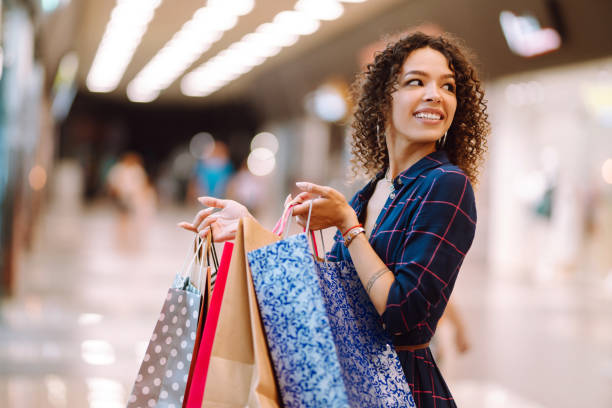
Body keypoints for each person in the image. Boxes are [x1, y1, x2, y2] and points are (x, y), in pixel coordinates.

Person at [179, 32, 489, 407]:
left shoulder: (447, 185)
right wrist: (249, 233)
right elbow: (337, 296)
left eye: (448, 86)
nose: (434, 95)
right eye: (415, 82)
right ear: (381, 101)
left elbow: (401, 313)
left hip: (402, 389)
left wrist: (349, 227)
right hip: (353, 385)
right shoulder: (373, 191)